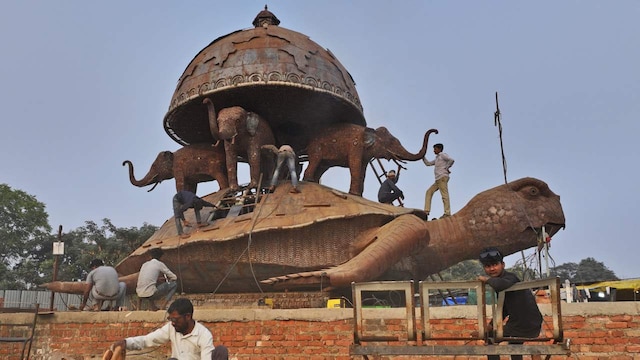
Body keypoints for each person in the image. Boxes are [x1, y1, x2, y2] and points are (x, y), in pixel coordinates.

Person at [477, 247, 543, 360]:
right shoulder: (502, 281)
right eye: (488, 266)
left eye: (495, 265)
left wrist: (486, 279)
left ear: (503, 265)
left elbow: (499, 285)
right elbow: (504, 309)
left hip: (524, 325)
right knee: (514, 344)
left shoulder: (510, 278)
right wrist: (491, 325)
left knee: (490, 338)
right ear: (484, 268)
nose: (492, 269)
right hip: (521, 325)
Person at [112, 298, 214, 360]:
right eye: (170, 319)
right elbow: (148, 340)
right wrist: (126, 343)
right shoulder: (172, 328)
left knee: (221, 351)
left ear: (187, 316)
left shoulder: (203, 335)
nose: (173, 322)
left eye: (175, 319)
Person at [422, 143, 454, 218]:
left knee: (444, 195)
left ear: (439, 149)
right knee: (429, 192)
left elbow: (451, 160)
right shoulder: (437, 158)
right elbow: (428, 163)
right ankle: (426, 211)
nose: (434, 150)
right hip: (438, 180)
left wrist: (447, 168)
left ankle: (447, 213)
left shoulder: (442, 155)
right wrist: (422, 157)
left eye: (435, 149)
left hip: (442, 177)